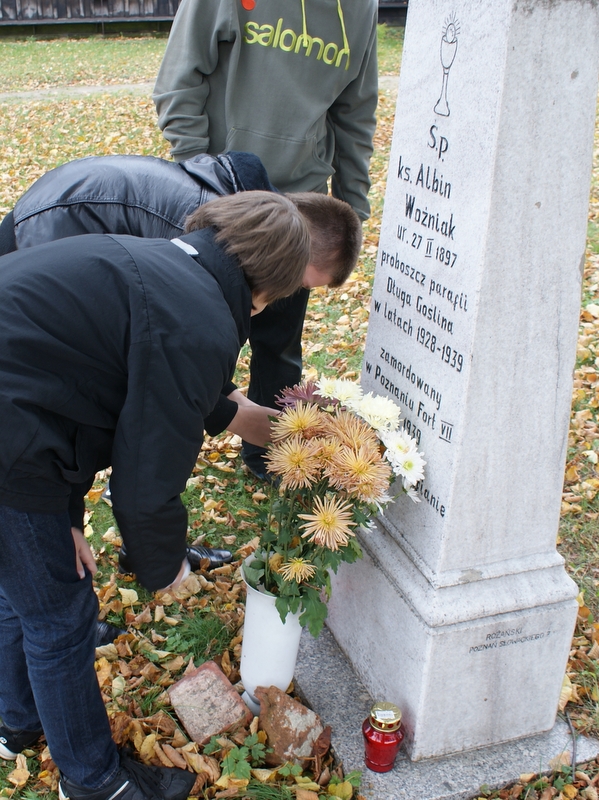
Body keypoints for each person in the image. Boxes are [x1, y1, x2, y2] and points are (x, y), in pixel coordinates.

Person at [0, 191, 309, 800]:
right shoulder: (197, 318)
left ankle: (19, 720)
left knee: (25, 591)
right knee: (60, 620)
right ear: (269, 283)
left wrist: (66, 519)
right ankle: (93, 784)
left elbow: (75, 390)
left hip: (20, 422)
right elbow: (144, 482)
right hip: (11, 442)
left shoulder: (163, 266)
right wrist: (164, 566)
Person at [153, 0, 378, 477]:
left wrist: (350, 213)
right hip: (225, 198)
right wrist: (200, 175)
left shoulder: (359, 9)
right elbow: (179, 81)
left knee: (279, 347)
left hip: (304, 208)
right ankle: (156, 454)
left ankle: (273, 457)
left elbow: (355, 115)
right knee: (191, 340)